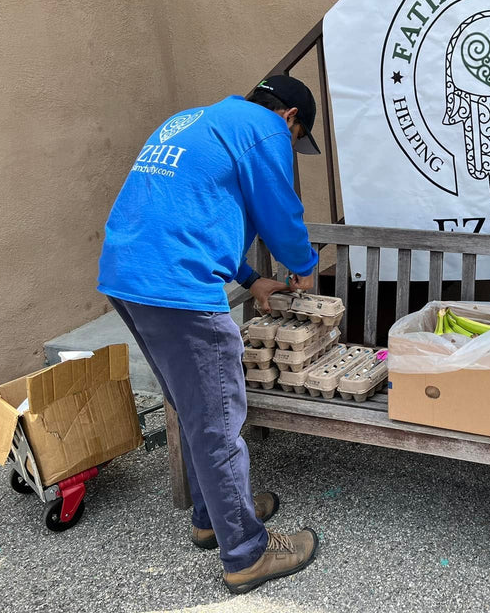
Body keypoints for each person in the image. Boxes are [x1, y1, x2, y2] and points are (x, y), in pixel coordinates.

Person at [97, 76, 322, 594]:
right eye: (297, 139)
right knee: (219, 420)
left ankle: (211, 517)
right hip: (177, 288)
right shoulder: (266, 130)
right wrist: (304, 266)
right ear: (290, 117)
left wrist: (250, 278)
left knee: (195, 408)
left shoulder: (194, 120)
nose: (289, 147)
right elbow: (280, 212)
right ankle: (247, 552)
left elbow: (190, 214)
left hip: (129, 276)